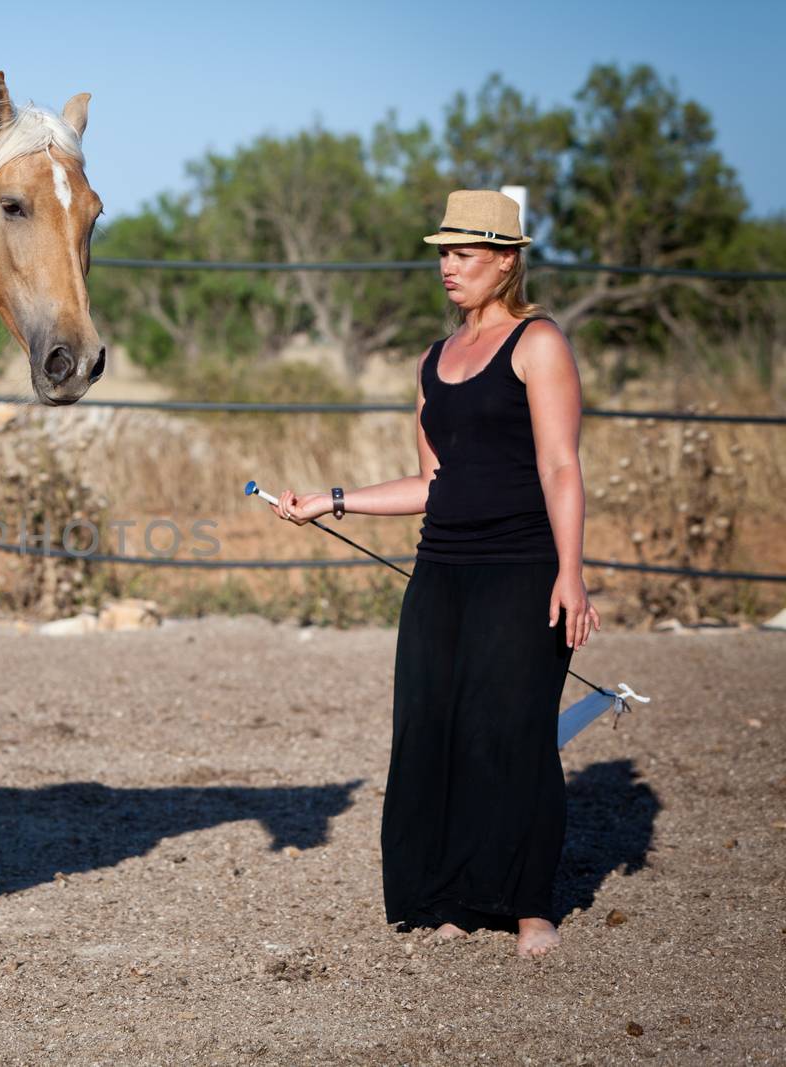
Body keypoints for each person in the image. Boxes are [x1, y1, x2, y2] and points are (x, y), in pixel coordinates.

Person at [272, 189, 600, 958]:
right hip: (440, 570)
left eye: (464, 254)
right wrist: (333, 500)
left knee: (512, 731)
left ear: (506, 260)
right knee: (436, 728)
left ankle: (527, 905)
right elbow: (432, 483)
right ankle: (452, 893)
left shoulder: (538, 343)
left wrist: (572, 572)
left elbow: (559, 465)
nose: (447, 269)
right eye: (442, 254)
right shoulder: (434, 359)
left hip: (523, 567)